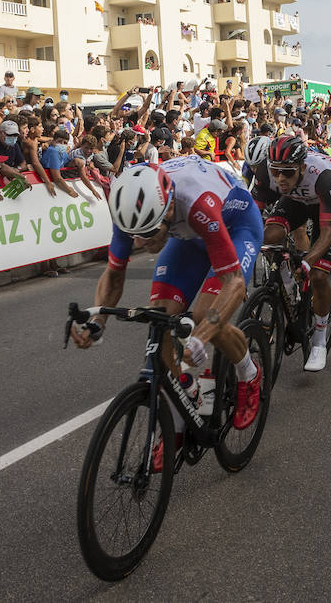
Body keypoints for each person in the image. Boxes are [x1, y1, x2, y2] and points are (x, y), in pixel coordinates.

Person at [73, 159, 265, 465]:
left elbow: (234, 285)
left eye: (147, 232)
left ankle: (248, 372)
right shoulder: (129, 204)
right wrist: (98, 321)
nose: (138, 242)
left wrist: (200, 338)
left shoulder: (198, 201)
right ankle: (176, 421)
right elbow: (114, 273)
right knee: (159, 317)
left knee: (205, 317)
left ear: (170, 209)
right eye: (133, 233)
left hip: (234, 227)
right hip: (188, 237)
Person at [263, 135, 331, 372]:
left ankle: (319, 338)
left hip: (324, 203)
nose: (280, 178)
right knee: (269, 236)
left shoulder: (322, 176)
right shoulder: (271, 174)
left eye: (287, 173)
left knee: (318, 275)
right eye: (275, 171)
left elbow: (328, 232)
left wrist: (308, 262)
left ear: (301, 167)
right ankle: (289, 284)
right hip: (295, 202)